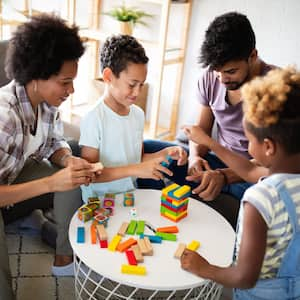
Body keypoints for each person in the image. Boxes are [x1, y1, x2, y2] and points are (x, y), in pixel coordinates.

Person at [0, 14, 100, 299]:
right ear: (36, 76)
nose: (71, 90)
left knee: (74, 162)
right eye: (65, 82)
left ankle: (63, 259)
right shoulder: (4, 116)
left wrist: (68, 161)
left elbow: (53, 143)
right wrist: (49, 184)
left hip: (12, 175)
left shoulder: (45, 104)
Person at [181, 67, 300, 299]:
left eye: (250, 140)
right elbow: (249, 169)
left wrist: (204, 268)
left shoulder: (260, 199)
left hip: (260, 293)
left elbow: (245, 277)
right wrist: (210, 144)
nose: (247, 147)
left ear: (268, 147)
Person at [142, 11, 275, 201]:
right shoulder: (210, 78)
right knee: (148, 150)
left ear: (252, 56)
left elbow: (270, 163)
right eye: (216, 71)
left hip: (251, 174)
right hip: (215, 161)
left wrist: (224, 176)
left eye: (230, 71)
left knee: (263, 198)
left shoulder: (277, 89)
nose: (221, 79)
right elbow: (201, 130)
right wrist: (195, 157)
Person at [79, 34, 187, 200]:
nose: (137, 92)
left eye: (141, 85)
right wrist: (136, 170)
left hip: (130, 197)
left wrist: (165, 153)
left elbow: (137, 159)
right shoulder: (94, 118)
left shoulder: (137, 114)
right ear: (108, 76)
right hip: (100, 203)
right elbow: (90, 174)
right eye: (132, 84)